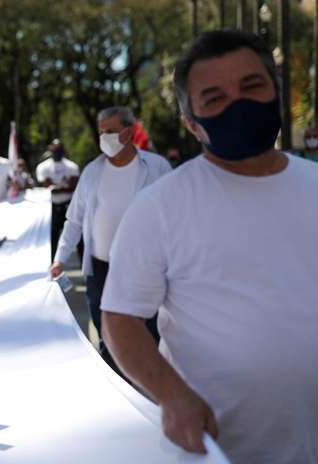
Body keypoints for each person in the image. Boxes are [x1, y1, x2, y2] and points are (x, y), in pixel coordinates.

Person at [101, 31, 318, 463]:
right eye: (215, 98)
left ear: (276, 91)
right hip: (218, 447)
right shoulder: (160, 207)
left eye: (252, 86)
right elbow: (120, 318)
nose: (239, 104)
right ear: (191, 122)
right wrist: (171, 394)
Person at [49, 106, 171, 371]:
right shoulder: (92, 172)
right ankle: (116, 384)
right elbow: (74, 220)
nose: (104, 138)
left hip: (145, 267)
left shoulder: (157, 168)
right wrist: (60, 258)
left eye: (110, 131)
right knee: (107, 334)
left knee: (149, 330)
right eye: (101, 132)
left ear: (128, 132)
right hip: (100, 268)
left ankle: (151, 386)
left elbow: (175, 216)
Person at [36, 139, 80, 260]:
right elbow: (46, 186)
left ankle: (83, 265)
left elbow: (73, 187)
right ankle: (51, 263)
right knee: (52, 237)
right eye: (55, 150)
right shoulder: (43, 167)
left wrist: (56, 187)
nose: (57, 153)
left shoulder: (72, 166)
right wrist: (63, 186)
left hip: (68, 205)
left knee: (76, 235)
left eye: (59, 150)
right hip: (51, 207)